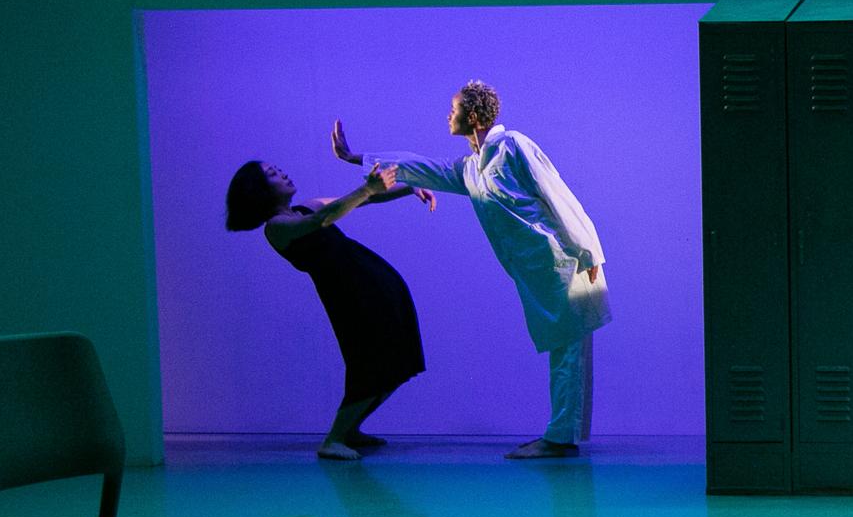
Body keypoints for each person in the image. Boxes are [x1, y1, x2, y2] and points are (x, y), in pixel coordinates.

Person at [333, 81, 609, 459]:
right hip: (538, 271)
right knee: (563, 349)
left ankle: (560, 439)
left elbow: (558, 195)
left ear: (474, 117)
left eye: (454, 108)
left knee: (568, 350)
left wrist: (590, 251)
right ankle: (561, 436)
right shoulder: (471, 169)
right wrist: (357, 158)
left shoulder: (513, 146)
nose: (449, 115)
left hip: (565, 262)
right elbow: (423, 167)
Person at [225, 159, 432, 461]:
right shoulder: (277, 228)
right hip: (350, 297)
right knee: (369, 363)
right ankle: (333, 438)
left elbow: (367, 199)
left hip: (373, 287)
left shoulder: (306, 206)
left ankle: (351, 431)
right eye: (272, 174)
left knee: (399, 360)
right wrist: (366, 188)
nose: (282, 171)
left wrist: (408, 188)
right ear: (259, 190)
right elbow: (322, 219)